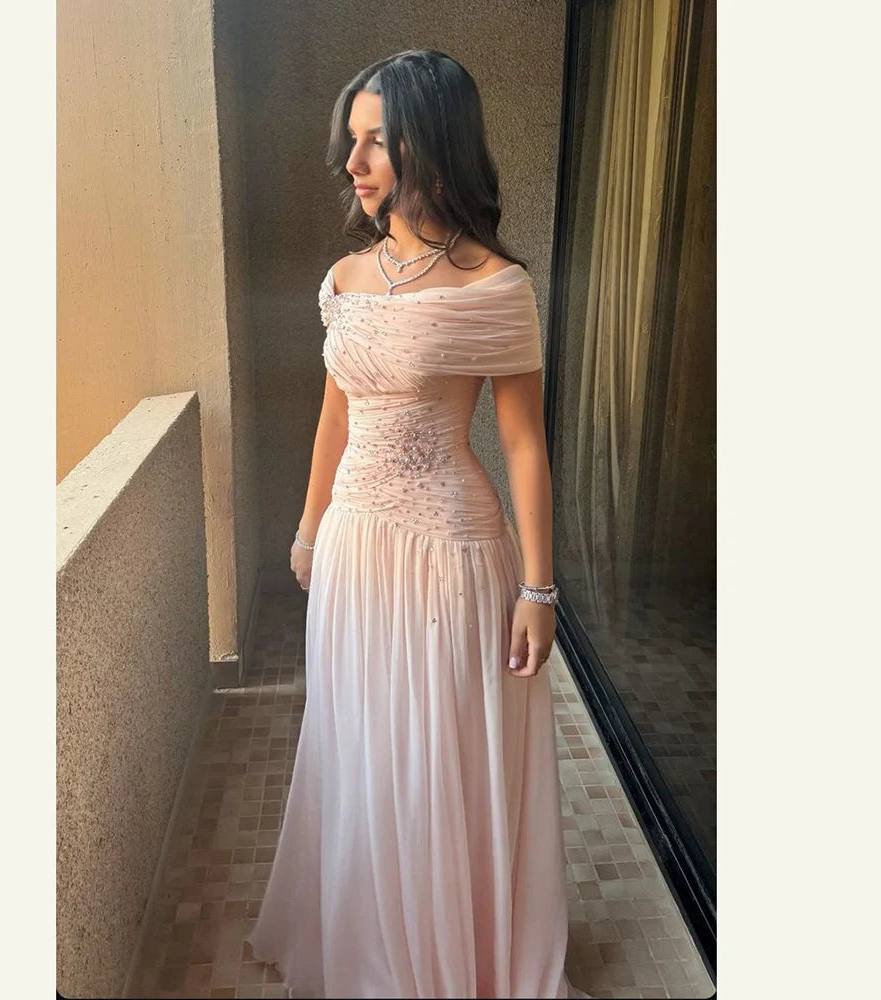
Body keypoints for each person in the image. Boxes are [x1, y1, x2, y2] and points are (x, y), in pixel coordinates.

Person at [247, 49, 590, 999]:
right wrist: (309, 528)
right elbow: (336, 415)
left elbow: (523, 442)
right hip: (355, 549)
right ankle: (370, 941)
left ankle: (446, 954)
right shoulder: (347, 276)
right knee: (361, 748)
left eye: (376, 142)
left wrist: (539, 588)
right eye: (349, 141)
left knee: (438, 761)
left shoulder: (497, 287)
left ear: (431, 145)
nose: (351, 163)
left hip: (451, 553)